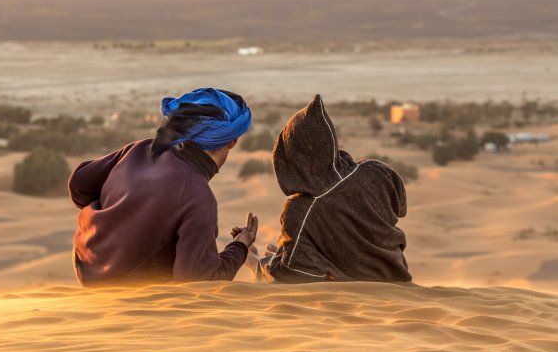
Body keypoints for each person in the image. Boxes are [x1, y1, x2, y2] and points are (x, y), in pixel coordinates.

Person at [68, 88, 258, 286]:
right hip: (129, 297)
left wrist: (118, 212)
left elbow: (78, 185)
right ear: (232, 141)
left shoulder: (141, 149)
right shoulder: (198, 196)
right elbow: (198, 282)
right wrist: (240, 246)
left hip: (86, 268)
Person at [250, 95, 411, 283]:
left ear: (289, 158)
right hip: (399, 279)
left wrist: (257, 262)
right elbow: (401, 209)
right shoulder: (376, 171)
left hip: (357, 300)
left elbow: (294, 274)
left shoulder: (300, 211)